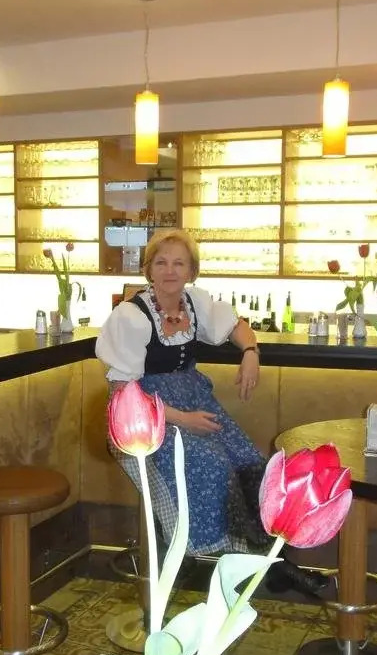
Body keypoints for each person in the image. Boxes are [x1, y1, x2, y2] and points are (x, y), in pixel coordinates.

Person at [95, 229, 325, 595]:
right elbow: (124, 393)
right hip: (146, 420)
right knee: (212, 465)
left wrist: (251, 352)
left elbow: (237, 327)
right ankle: (204, 560)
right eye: (161, 262)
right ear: (148, 269)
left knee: (251, 462)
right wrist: (181, 419)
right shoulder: (131, 316)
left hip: (194, 401)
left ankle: (272, 561)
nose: (170, 271)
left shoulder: (194, 303)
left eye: (179, 263)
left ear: (192, 271)